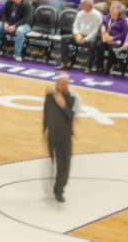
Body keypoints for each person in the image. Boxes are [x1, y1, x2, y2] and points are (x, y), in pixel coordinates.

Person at [43, 73, 76, 203]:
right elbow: (46, 112)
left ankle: (59, 190)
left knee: (64, 165)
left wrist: (63, 105)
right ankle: (52, 186)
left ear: (67, 84)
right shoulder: (50, 96)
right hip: (52, 134)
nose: (61, 85)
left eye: (64, 83)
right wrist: (44, 128)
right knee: (51, 163)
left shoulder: (73, 97)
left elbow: (72, 116)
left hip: (65, 136)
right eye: (59, 83)